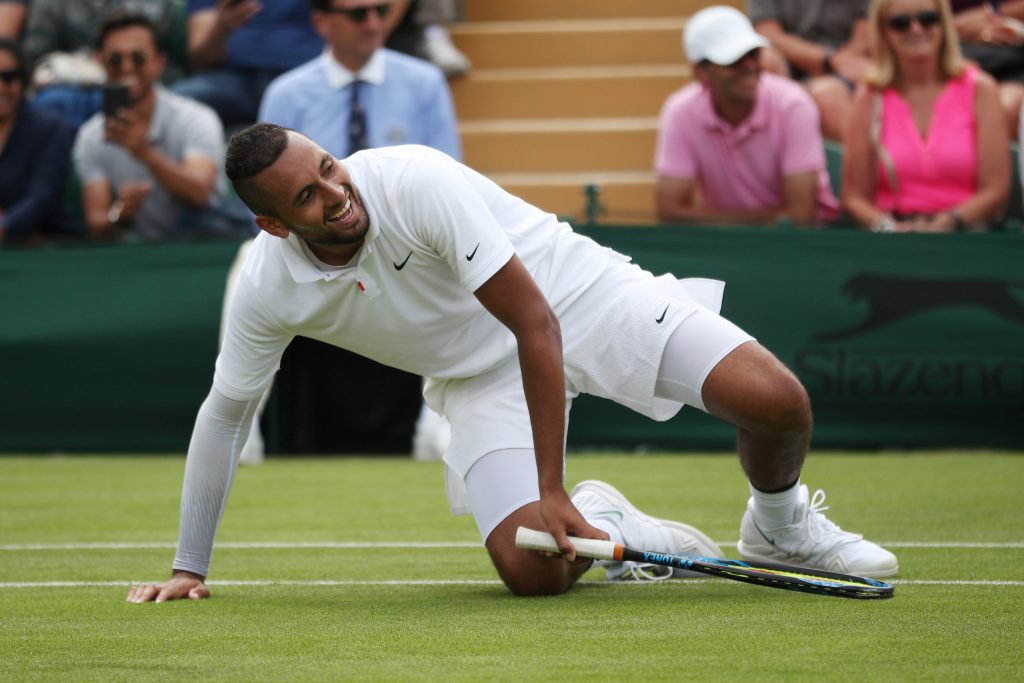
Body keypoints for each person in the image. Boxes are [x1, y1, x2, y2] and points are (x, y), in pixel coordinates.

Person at [125, 124, 898, 603]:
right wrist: (190, 565)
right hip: (473, 376)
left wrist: (550, 486)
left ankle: (778, 524)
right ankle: (616, 520)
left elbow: (534, 321)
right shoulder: (265, 286)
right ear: (271, 222)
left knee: (778, 401)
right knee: (532, 574)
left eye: (329, 166)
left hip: (576, 295)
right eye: (308, 194)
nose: (337, 192)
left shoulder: (412, 180)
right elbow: (225, 414)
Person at [248, 0, 460, 462]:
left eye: (380, 9)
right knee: (249, 262)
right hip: (315, 243)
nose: (373, 21)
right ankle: (240, 422)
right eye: (357, 12)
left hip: (408, 238)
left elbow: (450, 179)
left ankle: (439, 424)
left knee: (452, 259)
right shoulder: (287, 92)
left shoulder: (425, 81)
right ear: (322, 22)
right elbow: (262, 199)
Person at [655, 6, 839, 227]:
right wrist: (770, 218)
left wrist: (714, 220)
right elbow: (669, 213)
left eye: (753, 54)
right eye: (733, 60)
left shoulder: (794, 105)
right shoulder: (680, 111)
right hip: (728, 246)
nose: (749, 66)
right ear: (700, 72)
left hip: (796, 248)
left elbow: (800, 218)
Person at [73, 12, 249, 241]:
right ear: (100, 62)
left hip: (206, 239)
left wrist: (144, 151)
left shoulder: (195, 117)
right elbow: (97, 222)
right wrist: (119, 214)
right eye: (115, 60)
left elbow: (200, 194)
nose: (127, 68)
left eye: (138, 58)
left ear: (159, 63)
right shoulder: (91, 136)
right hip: (142, 249)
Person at [842, 0, 1010, 232]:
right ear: (883, 32)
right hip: (893, 239)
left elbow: (996, 188)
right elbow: (854, 197)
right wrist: (888, 227)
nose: (916, 29)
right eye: (900, 23)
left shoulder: (981, 89)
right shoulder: (869, 97)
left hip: (967, 235)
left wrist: (951, 221)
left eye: (928, 19)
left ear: (944, 24)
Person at [23, 0, 180, 130]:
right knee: (51, 102)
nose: (126, 66)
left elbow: (150, 42)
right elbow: (37, 53)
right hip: (77, 84)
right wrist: (88, 64)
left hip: (150, 81)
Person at [170, 0, 323, 127]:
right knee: (172, 105)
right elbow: (200, 59)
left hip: (303, 78)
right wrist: (222, 25)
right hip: (236, 81)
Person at [748, 0, 873, 141]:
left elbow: (866, 37)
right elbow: (767, 33)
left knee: (828, 96)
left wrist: (833, 65)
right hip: (792, 60)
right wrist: (825, 60)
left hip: (847, 66)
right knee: (763, 62)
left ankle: (850, 158)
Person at [0, 38, 84, 244]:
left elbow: (43, 196)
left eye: (9, 77)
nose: (1, 86)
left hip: (49, 246)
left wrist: (5, 225)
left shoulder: (50, 129)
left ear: (22, 81)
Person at [951, 0, 1024, 138]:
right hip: (955, 55)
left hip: (1014, 56)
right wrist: (958, 27)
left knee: (1003, 111)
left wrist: (992, 14)